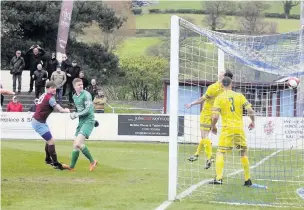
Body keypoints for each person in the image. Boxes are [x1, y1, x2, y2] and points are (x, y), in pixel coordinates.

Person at [208, 77, 255, 186]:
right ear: (231, 84)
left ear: (221, 85)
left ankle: (219, 178)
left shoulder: (219, 98)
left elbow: (215, 116)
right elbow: (250, 110)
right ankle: (247, 180)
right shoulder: (239, 96)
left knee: (220, 152)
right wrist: (253, 121)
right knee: (243, 152)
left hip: (227, 129)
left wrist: (213, 126)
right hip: (239, 129)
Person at [185, 70, 234, 169]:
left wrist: (191, 104)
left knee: (205, 136)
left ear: (223, 76)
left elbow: (202, 99)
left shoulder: (213, 88)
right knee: (204, 137)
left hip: (207, 113)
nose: (219, 72)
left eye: (222, 72)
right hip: (216, 113)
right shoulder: (227, 88)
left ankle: (209, 157)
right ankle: (197, 154)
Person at [31, 81, 70, 169]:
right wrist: (65, 110)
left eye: (55, 87)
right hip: (38, 122)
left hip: (40, 121)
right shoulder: (50, 98)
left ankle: (48, 159)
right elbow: (58, 109)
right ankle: (56, 164)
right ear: (48, 88)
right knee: (51, 141)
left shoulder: (45, 95)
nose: (54, 89)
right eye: (52, 87)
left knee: (49, 141)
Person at [62, 78, 98, 172]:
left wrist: (76, 114)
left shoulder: (86, 94)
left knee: (78, 143)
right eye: (79, 85)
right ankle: (72, 167)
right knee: (75, 144)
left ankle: (92, 161)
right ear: (74, 87)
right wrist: (74, 113)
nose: (81, 86)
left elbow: (88, 109)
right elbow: (80, 110)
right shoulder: (74, 96)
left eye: (81, 84)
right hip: (81, 121)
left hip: (88, 120)